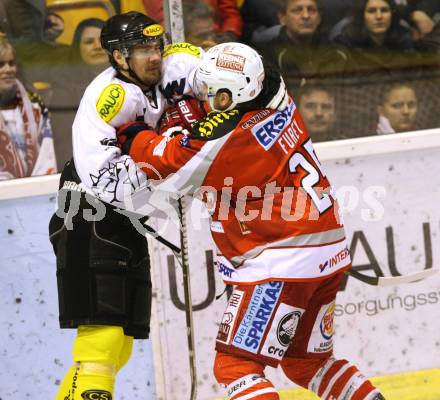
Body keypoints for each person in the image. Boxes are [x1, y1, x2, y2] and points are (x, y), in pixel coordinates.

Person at [115, 42, 385, 400]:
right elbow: (249, 69)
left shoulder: (222, 139)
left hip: (279, 260)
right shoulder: (277, 92)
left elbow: (162, 165)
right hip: (327, 247)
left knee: (235, 368)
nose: (205, 96)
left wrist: (131, 132)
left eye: (211, 91)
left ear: (228, 96)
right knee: (308, 364)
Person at [48, 12, 169, 400]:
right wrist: (169, 168)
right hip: (88, 211)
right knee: (101, 339)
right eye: (142, 49)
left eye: (156, 46)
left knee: (121, 344)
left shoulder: (155, 83)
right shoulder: (110, 95)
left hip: (119, 215)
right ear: (118, 56)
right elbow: (103, 175)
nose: (154, 56)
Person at [50, 18, 108, 168]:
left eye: (101, 41)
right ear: (77, 48)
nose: (97, 46)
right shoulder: (63, 92)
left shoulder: (131, 83)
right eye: (89, 42)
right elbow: (64, 146)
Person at [0, 37, 56, 180]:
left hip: (33, 191)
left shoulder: (35, 105)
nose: (8, 69)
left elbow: (46, 154)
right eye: (1, 64)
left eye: (11, 63)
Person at [260, 0, 348, 86]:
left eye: (311, 10)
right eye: (297, 10)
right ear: (282, 17)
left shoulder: (337, 53)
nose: (306, 16)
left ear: (319, 17)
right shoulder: (269, 56)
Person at [332, 0, 416, 73]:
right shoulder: (345, 42)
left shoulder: (404, 38)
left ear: (392, 14)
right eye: (371, 11)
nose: (379, 16)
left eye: (384, 10)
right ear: (362, 16)